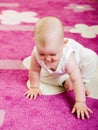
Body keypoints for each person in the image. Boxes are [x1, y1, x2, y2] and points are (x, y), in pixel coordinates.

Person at [24, 16, 98, 120]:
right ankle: (64, 80)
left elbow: (76, 79)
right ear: (35, 42)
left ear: (63, 44)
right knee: (42, 77)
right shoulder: (36, 52)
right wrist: (34, 87)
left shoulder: (68, 57)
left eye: (53, 54)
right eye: (42, 54)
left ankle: (84, 81)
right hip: (56, 71)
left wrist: (80, 102)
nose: (48, 59)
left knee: (91, 58)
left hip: (77, 63)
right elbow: (34, 70)